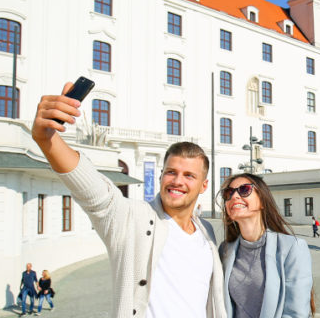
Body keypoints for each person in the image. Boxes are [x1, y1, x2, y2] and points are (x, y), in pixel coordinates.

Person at [31, 84, 226, 317]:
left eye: (189, 175)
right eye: (171, 172)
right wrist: (46, 140)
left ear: (204, 185)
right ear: (161, 175)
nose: (177, 181)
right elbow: (95, 192)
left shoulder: (206, 233)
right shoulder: (133, 218)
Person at [219, 173, 314, 317]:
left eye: (244, 190)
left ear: (262, 201)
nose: (234, 196)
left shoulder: (292, 248)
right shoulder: (225, 250)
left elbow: (296, 313)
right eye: (228, 192)